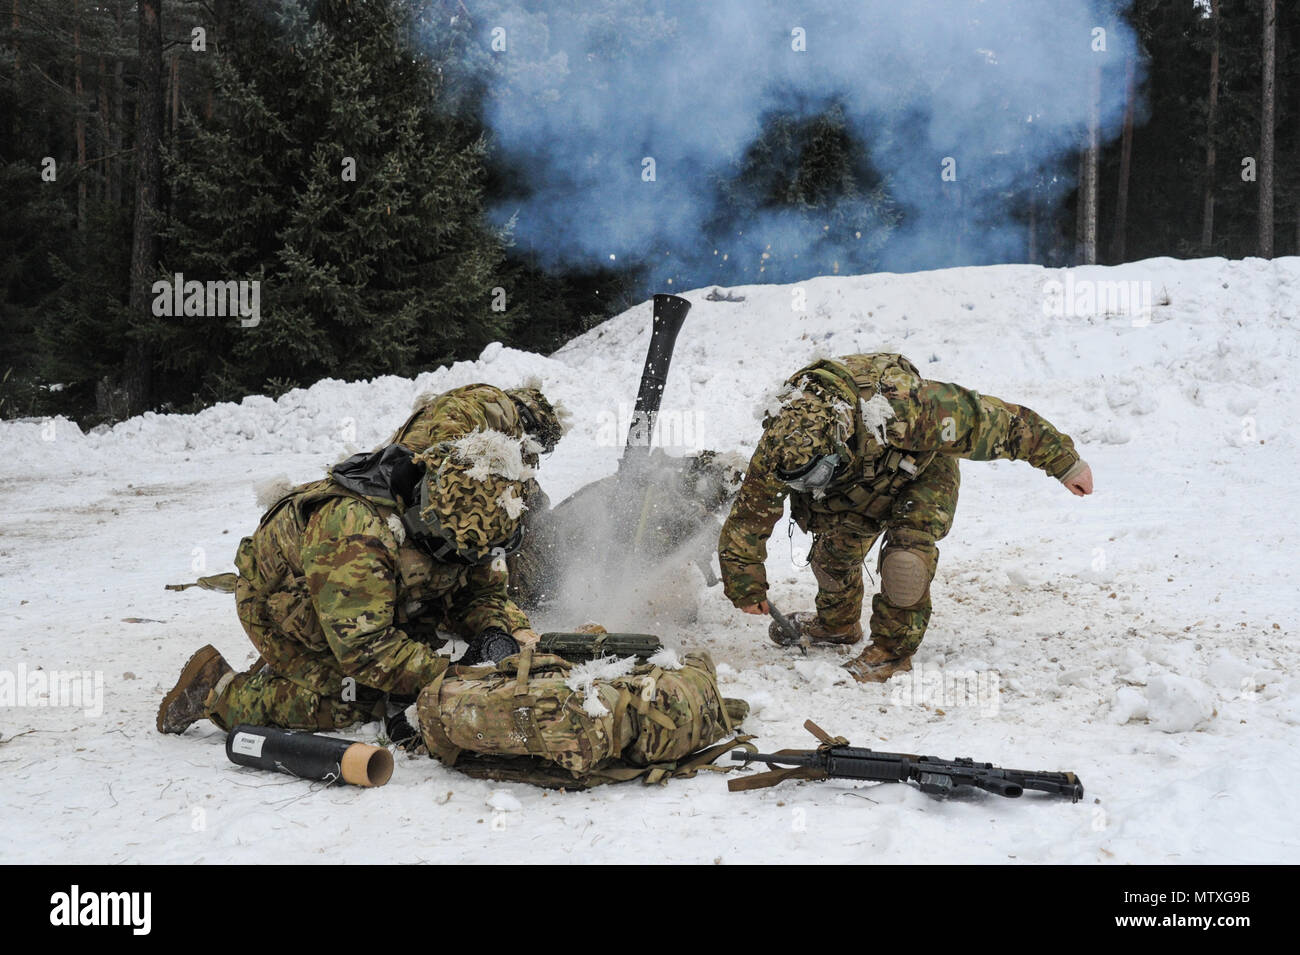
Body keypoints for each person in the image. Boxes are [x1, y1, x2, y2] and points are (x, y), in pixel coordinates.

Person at [718, 354, 1093, 683]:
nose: (804, 484)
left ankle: (891, 654)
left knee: (906, 558)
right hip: (853, 480)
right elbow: (749, 519)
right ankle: (837, 626)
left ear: (838, 441)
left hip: (920, 467)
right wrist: (745, 586)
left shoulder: (906, 409)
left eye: (811, 476)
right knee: (832, 556)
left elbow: (999, 423)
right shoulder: (782, 443)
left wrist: (1065, 463)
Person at [157, 431, 537, 733]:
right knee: (355, 700)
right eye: (465, 553)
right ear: (432, 527)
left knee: (411, 665)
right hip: (283, 607)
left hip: (359, 596)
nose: (475, 559)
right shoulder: (356, 530)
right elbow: (366, 650)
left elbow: (480, 590)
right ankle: (215, 692)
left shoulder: (473, 513)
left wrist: (496, 633)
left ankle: (304, 668)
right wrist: (453, 676)